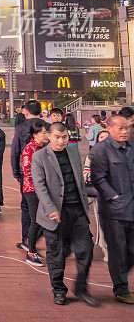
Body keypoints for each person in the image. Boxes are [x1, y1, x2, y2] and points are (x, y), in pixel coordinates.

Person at [31, 122, 99, 307]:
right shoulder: (39, 157)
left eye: (64, 137)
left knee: (86, 250)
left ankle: (81, 288)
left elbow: (79, 181)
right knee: (56, 255)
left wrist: (87, 199)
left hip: (76, 212)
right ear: (49, 136)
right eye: (57, 137)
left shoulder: (74, 152)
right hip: (54, 215)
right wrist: (50, 208)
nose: (61, 141)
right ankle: (59, 290)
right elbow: (40, 186)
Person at [90, 114, 134, 304]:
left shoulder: (131, 149)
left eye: (127, 128)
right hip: (113, 211)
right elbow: (98, 179)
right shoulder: (101, 150)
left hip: (132, 208)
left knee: (131, 250)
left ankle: (121, 277)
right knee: (117, 251)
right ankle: (121, 288)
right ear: (109, 129)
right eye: (121, 128)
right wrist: (114, 197)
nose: (125, 132)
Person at [11, 100, 43, 251]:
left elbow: (15, 151)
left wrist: (16, 172)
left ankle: (27, 238)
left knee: (26, 206)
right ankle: (37, 236)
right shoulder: (47, 126)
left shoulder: (20, 128)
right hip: (45, 171)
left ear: (26, 112)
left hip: (26, 172)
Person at [20, 120, 51, 266]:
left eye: (47, 132)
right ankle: (30, 252)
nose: (47, 135)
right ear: (35, 134)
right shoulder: (30, 149)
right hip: (32, 190)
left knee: (42, 221)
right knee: (36, 221)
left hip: (42, 189)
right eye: (44, 132)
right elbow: (28, 171)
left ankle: (29, 243)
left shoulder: (44, 148)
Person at [83, 129, 110, 263]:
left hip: (118, 196)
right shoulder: (92, 155)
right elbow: (86, 174)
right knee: (102, 223)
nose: (103, 140)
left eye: (106, 137)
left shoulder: (119, 153)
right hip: (100, 195)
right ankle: (106, 250)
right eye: (101, 137)